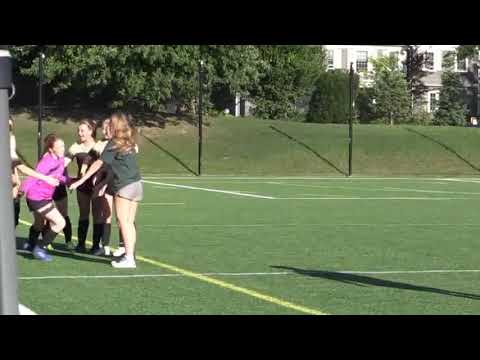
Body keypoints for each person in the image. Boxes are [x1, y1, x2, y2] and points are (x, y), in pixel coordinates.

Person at [70, 112, 143, 268]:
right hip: (137, 185)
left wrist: (80, 181)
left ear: (115, 127)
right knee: (129, 222)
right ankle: (130, 255)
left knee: (123, 222)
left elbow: (98, 164)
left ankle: (129, 258)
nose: (106, 129)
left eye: (109, 126)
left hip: (124, 185)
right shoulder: (128, 140)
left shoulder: (113, 143)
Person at [20, 134, 69, 262]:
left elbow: (58, 176)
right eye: (60, 147)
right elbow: (34, 176)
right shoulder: (47, 161)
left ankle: (31, 245)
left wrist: (70, 181)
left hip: (44, 197)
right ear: (51, 149)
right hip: (36, 197)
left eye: (63, 146)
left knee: (39, 224)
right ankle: (39, 248)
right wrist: (22, 190)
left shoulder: (60, 159)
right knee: (60, 222)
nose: (63, 149)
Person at [9, 118, 60, 230]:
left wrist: (16, 179)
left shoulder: (10, 139)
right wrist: (45, 178)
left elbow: (15, 164)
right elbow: (21, 167)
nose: (8, 130)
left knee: (12, 217)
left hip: (11, 184)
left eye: (10, 128)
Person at [65, 120, 97, 253]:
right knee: (83, 214)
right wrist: (66, 179)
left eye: (82, 130)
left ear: (91, 131)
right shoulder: (75, 147)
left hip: (98, 185)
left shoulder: (99, 145)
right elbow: (62, 164)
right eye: (79, 130)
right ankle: (81, 244)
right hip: (82, 185)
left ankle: (97, 246)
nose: (79, 133)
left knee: (98, 216)